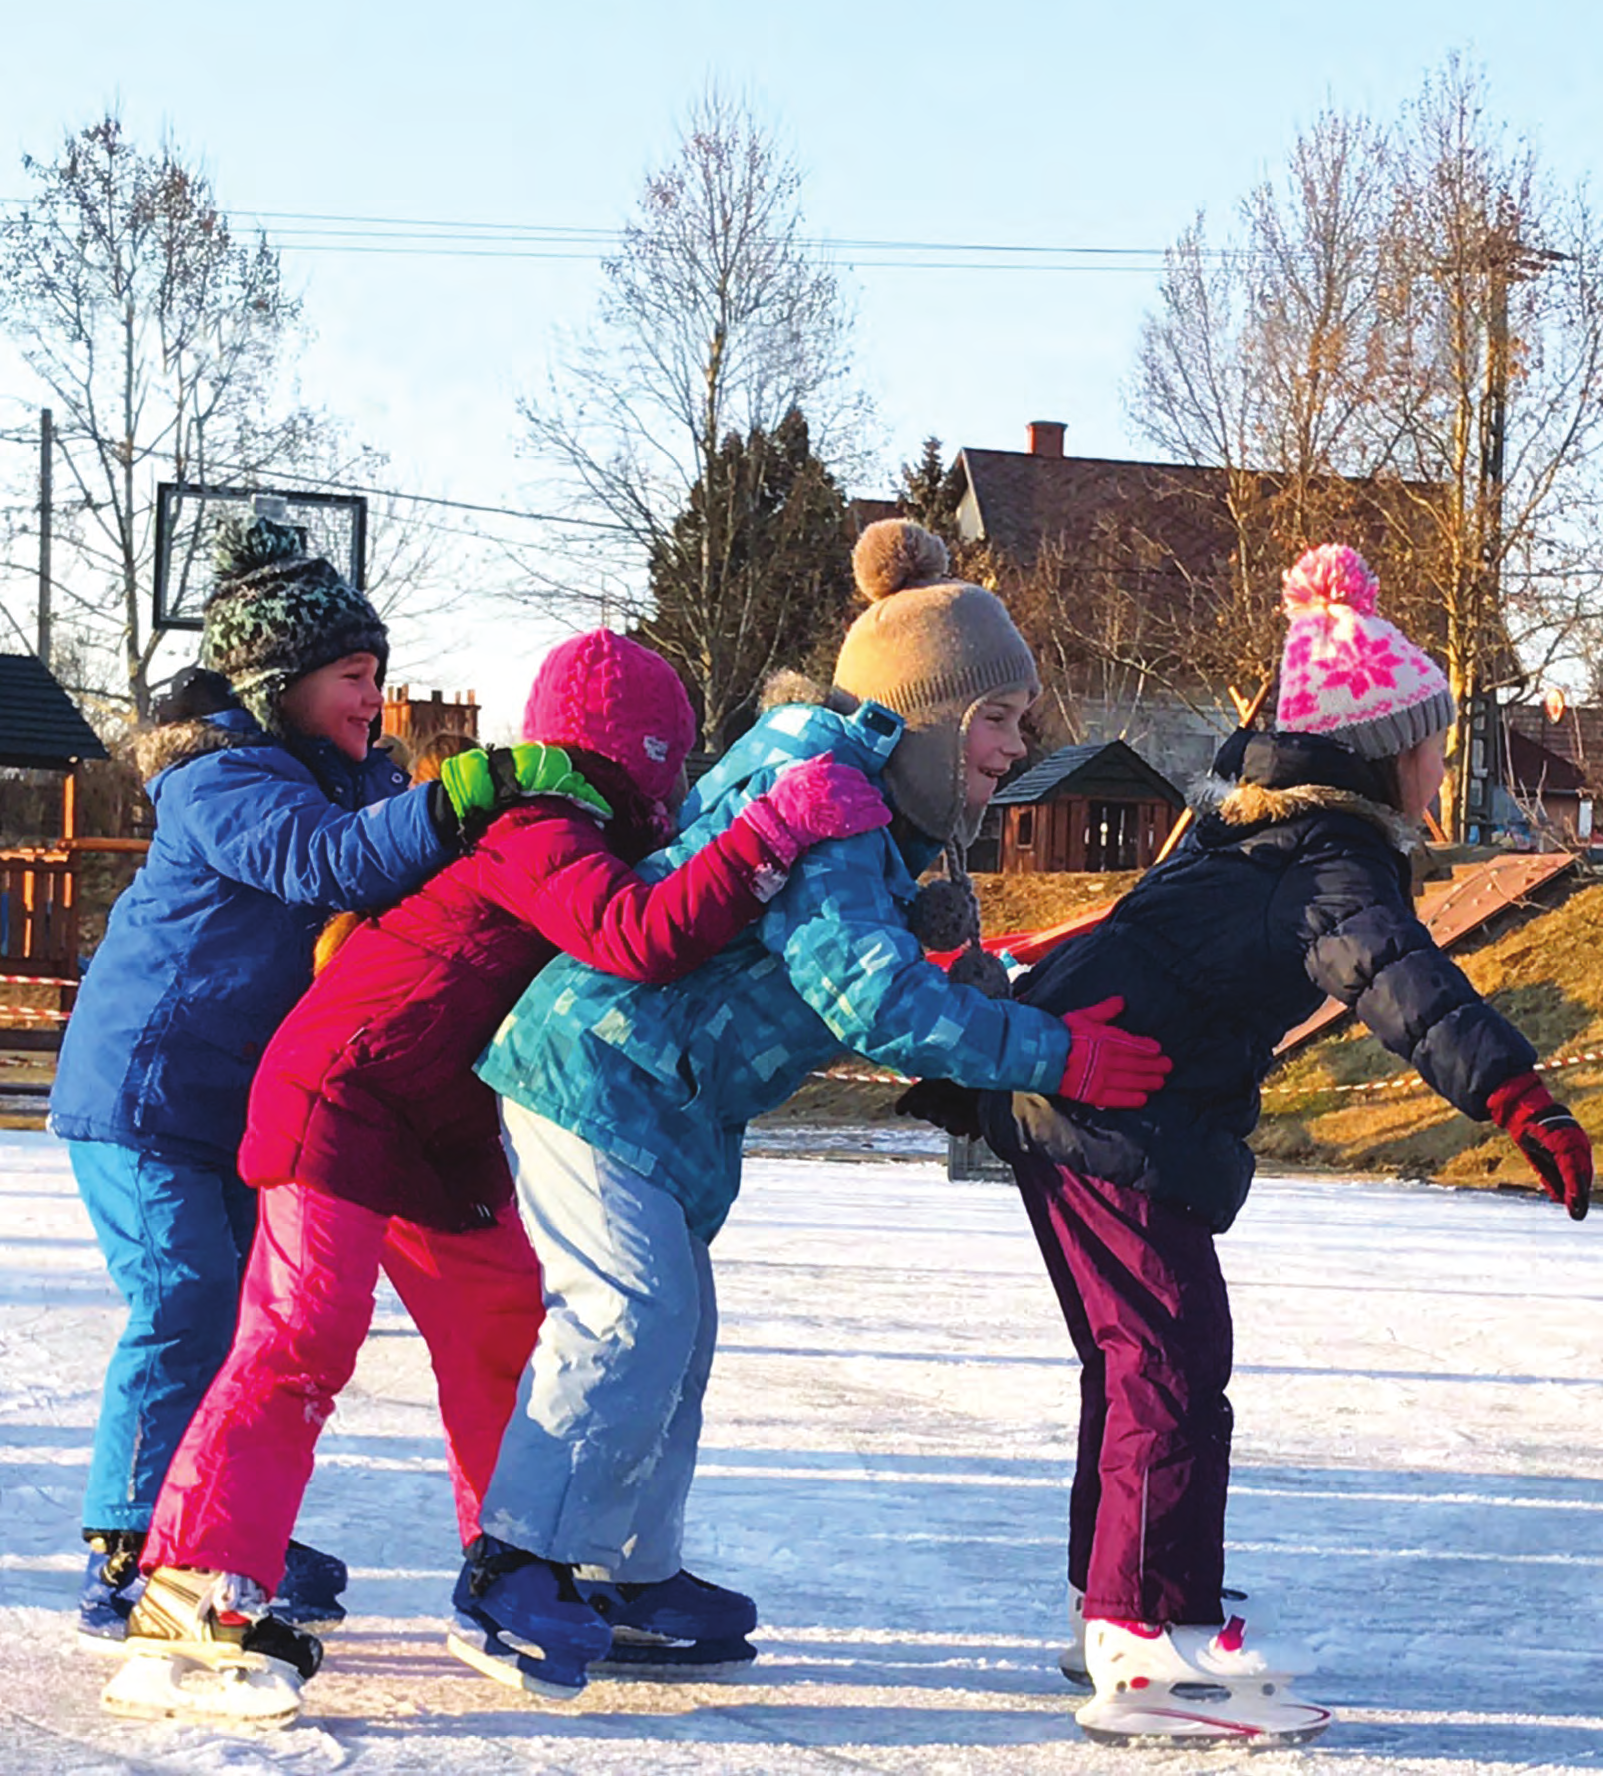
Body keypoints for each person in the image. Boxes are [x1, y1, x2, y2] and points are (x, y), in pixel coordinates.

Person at [108, 630, 891, 1722]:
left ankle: (526, 1560)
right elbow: (636, 936)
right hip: (341, 1091)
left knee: (508, 1333)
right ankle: (192, 1583)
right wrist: (767, 832)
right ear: (637, 753)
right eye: (665, 763)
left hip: (443, 1124)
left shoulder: (594, 831)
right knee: (301, 1337)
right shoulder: (541, 824)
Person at [449, 520, 1171, 1700]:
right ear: (926, 718)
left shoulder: (886, 828)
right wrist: (1055, 1056)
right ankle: (512, 1561)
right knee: (630, 1314)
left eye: (1019, 722)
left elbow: (909, 975)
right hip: (594, 1068)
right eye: (995, 720)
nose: (1012, 749)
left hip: (661, 1102)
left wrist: (997, 1003)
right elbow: (869, 994)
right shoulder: (826, 793)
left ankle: (628, 1575)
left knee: (675, 1334)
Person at [905, 543, 1593, 1749]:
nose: (1441, 764)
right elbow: (1404, 985)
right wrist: (1519, 1097)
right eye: (1431, 741)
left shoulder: (1248, 839)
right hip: (1104, 1116)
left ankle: (1111, 1607)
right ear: (1388, 754)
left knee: (1141, 1363)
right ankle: (1142, 1628)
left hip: (1079, 1109)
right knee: (1168, 1363)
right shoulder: (1328, 867)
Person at [49, 514, 550, 1649]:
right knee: (181, 1302)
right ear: (279, 682)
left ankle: (205, 1518)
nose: (373, 697)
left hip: (227, 1100)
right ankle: (131, 1539)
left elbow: (404, 866)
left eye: (377, 674)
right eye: (352, 676)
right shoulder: (221, 778)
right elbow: (330, 860)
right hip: (142, 1092)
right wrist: (464, 789)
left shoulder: (333, 771)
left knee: (238, 1320)